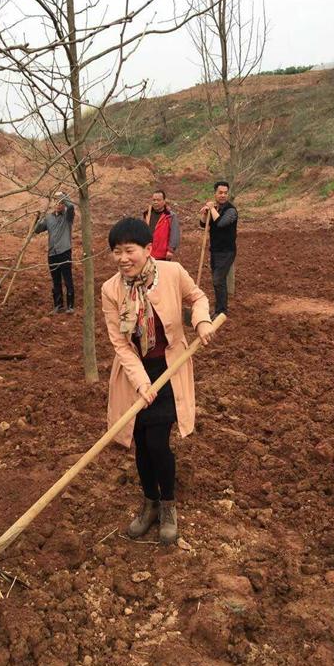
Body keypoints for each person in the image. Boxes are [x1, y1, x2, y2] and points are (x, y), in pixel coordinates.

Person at [101, 217, 215, 544]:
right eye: (117, 251)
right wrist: (141, 382)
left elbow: (198, 298)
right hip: (134, 373)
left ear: (148, 249)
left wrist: (201, 321)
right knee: (140, 441)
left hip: (170, 368)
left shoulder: (172, 273)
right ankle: (149, 503)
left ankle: (168, 506)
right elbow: (120, 343)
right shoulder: (111, 290)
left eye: (130, 250)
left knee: (157, 443)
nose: (123, 258)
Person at [199, 180, 238, 318]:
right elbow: (203, 224)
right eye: (220, 193)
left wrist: (212, 208)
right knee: (217, 281)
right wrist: (205, 213)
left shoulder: (231, 210)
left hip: (227, 252)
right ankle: (219, 309)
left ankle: (221, 311)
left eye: (225, 193)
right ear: (215, 193)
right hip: (215, 250)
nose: (223, 195)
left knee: (218, 280)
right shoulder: (216, 209)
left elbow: (221, 223)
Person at [33, 192, 76, 314]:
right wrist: (37, 218)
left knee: (67, 279)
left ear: (64, 204)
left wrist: (62, 195)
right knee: (56, 280)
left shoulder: (68, 217)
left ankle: (70, 306)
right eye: (56, 202)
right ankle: (58, 305)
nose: (58, 204)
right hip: (52, 254)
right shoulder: (49, 218)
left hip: (64, 252)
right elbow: (37, 230)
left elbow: (71, 206)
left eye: (61, 203)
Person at [143, 189, 180, 261]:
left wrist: (171, 250)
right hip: (148, 253)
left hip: (162, 254)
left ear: (164, 201)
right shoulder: (147, 214)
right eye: (154, 200)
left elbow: (174, 233)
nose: (155, 202)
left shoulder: (170, 216)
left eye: (158, 200)